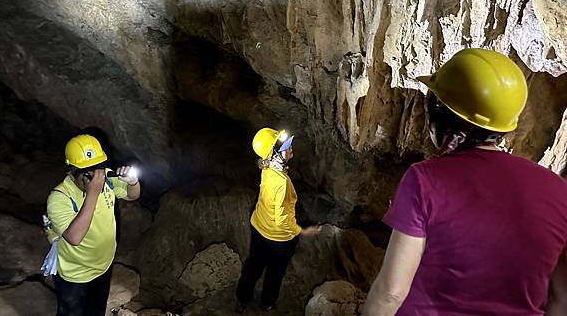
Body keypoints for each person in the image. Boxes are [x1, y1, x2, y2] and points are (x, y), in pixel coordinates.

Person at [362, 48, 567, 316]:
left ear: (440, 115)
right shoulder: (559, 190)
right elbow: (561, 300)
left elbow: (391, 292)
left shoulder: (425, 179)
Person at [47, 134, 141, 316]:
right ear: (72, 170)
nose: (95, 174)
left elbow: (132, 195)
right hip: (75, 274)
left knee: (96, 311)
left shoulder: (106, 178)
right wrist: (93, 193)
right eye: (87, 170)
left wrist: (133, 182)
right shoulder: (59, 198)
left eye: (98, 167)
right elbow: (74, 237)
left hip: (103, 266)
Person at [235, 128, 320, 313]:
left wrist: (279, 167)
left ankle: (242, 299)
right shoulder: (280, 182)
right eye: (287, 148)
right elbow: (281, 221)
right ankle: (267, 303)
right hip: (279, 239)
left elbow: (263, 163)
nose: (291, 150)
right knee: (275, 273)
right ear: (274, 155)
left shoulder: (266, 167)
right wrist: (302, 231)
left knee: (253, 266)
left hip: (259, 227)